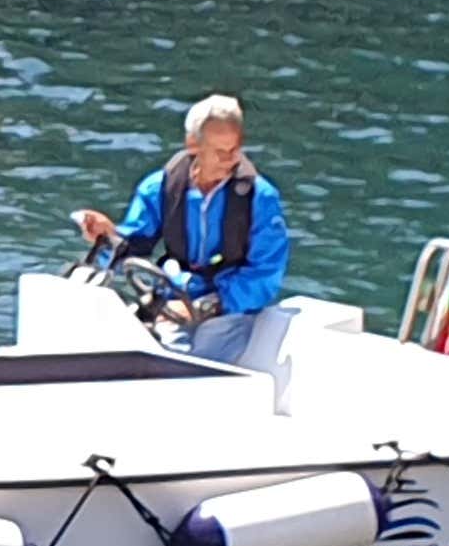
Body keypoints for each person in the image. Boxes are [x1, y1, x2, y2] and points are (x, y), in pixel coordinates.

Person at [74, 93, 288, 365]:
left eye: (235, 150)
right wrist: (106, 236)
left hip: (230, 308)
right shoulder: (161, 187)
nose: (230, 160)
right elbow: (133, 243)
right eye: (220, 152)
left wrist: (210, 306)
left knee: (187, 363)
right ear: (193, 145)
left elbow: (266, 271)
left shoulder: (259, 198)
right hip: (172, 297)